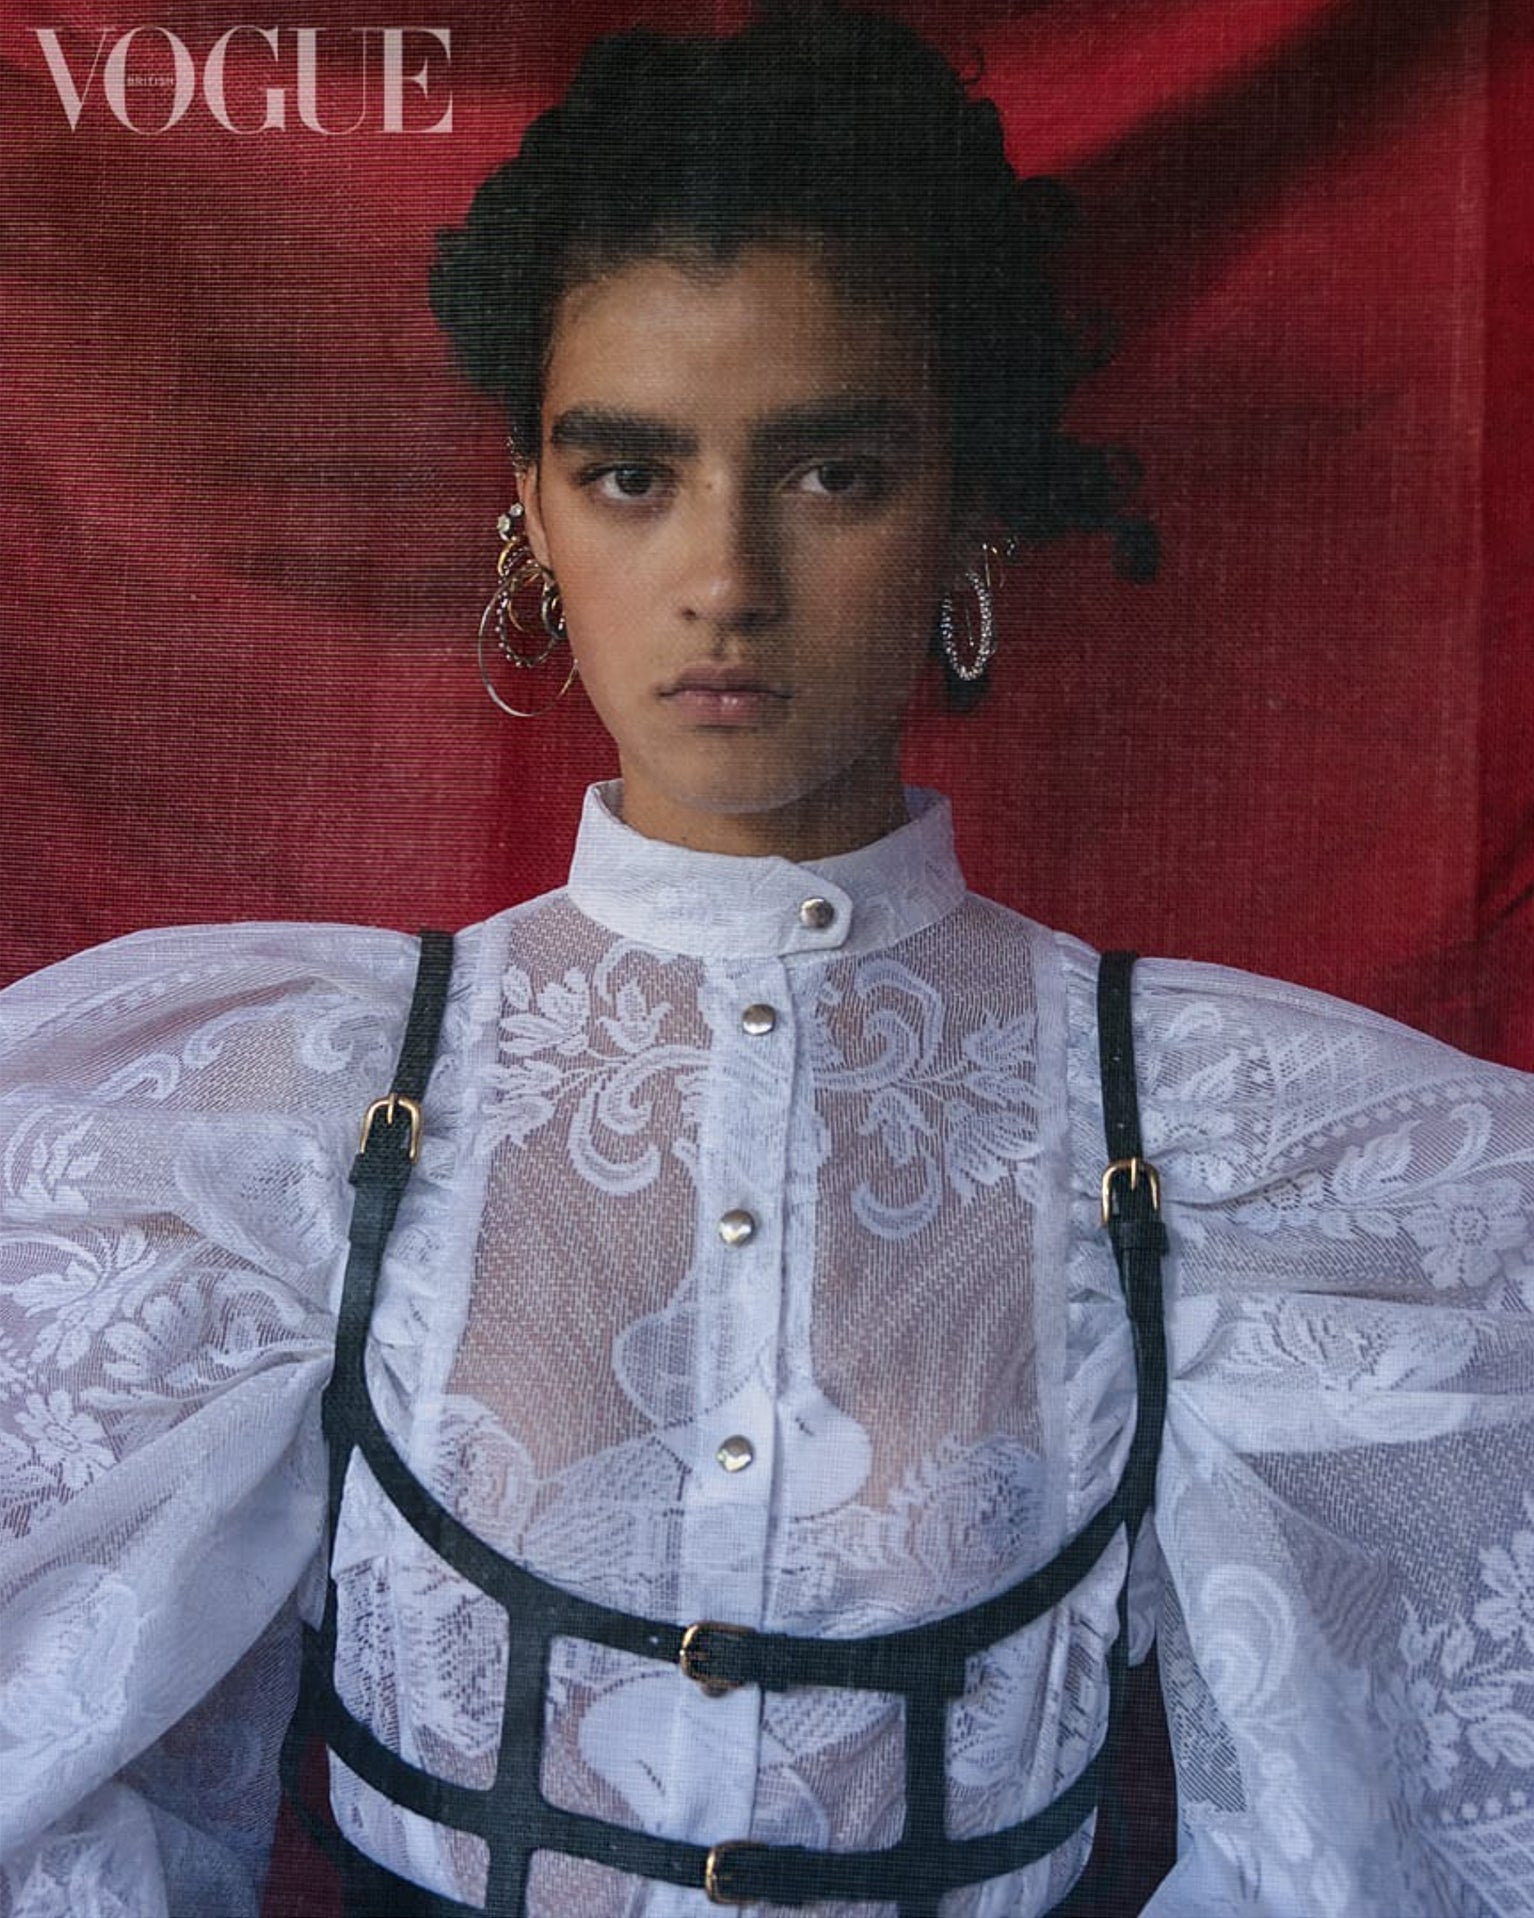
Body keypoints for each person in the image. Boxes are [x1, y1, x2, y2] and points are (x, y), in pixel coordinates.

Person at [2, 4, 1531, 1915]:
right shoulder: (286, 1102)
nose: (724, 578)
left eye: (832, 473)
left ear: (963, 508)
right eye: (631, 473)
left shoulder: (1211, 1129)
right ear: (530, 511)